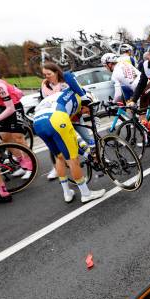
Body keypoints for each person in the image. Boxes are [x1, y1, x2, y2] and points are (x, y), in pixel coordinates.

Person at [32, 72, 105, 204]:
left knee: (59, 157)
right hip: (55, 118)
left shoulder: (64, 96)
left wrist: (84, 150)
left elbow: (72, 136)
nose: (87, 113)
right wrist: (87, 152)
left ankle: (67, 192)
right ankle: (86, 194)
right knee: (73, 160)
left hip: (37, 122)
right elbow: (68, 75)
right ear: (87, 103)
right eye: (88, 110)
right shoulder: (79, 95)